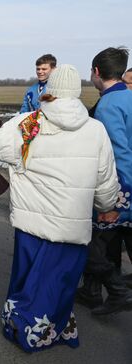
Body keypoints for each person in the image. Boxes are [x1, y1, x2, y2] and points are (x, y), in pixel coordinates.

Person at [0, 64, 119, 352]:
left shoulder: (28, 123)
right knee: (59, 285)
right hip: (73, 227)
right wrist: (107, 205)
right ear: (77, 92)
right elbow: (105, 180)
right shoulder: (95, 129)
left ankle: (24, 329)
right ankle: (55, 330)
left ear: (49, 90)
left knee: (28, 280)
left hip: (33, 225)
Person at [76, 47, 132, 315]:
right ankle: (92, 291)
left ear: (96, 71)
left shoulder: (109, 104)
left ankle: (117, 291)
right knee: (107, 242)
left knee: (90, 243)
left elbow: (116, 153)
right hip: (128, 185)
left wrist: (114, 198)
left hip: (119, 186)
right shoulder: (128, 97)